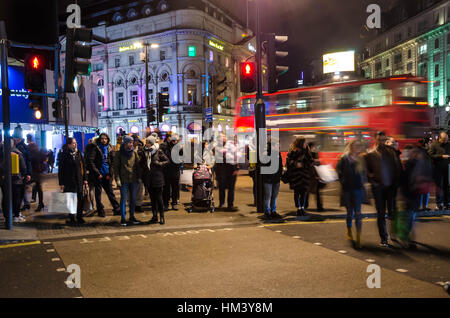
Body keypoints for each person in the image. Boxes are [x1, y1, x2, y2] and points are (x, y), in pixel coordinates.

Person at [364, 131, 403, 247]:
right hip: (378, 188)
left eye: (383, 139)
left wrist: (397, 184)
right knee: (381, 213)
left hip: (391, 187)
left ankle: (393, 234)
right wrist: (373, 181)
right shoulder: (370, 154)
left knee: (392, 212)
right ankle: (384, 238)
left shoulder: (391, 152)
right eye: (379, 140)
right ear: (376, 140)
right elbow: (366, 171)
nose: (381, 142)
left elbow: (398, 169)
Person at [336, 140, 366, 248]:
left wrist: (364, 183)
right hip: (347, 190)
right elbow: (338, 172)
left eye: (359, 145)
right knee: (350, 212)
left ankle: (358, 236)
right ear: (351, 146)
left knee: (358, 213)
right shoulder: (344, 158)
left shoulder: (361, 159)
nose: (358, 147)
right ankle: (349, 230)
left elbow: (364, 173)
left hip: (358, 189)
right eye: (356, 145)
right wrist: (343, 182)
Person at [84, 133, 121, 217]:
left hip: (107, 174)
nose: (104, 140)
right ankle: (100, 210)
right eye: (102, 139)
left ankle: (117, 208)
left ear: (108, 139)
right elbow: (91, 161)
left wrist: (110, 174)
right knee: (98, 193)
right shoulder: (95, 147)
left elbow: (112, 162)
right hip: (99, 174)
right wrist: (97, 173)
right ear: (100, 139)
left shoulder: (110, 148)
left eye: (105, 138)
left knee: (110, 192)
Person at [139, 136, 169, 225]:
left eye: (148, 142)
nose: (146, 143)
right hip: (148, 178)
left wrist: (159, 164)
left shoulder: (158, 151)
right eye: (146, 142)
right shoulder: (144, 152)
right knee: (152, 199)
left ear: (152, 143)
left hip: (158, 177)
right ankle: (154, 216)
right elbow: (141, 164)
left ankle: (162, 217)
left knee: (159, 198)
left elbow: (167, 161)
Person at [58, 138, 88, 225]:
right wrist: (61, 183)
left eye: (75, 143)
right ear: (68, 145)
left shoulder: (78, 153)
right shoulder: (64, 154)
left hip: (79, 180)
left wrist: (85, 179)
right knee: (71, 200)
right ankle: (72, 217)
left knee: (81, 199)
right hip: (69, 181)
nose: (75, 145)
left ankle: (79, 216)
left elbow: (83, 166)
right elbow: (61, 169)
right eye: (73, 143)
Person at [114, 135, 141, 226]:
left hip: (133, 179)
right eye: (130, 142)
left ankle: (132, 217)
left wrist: (139, 177)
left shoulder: (134, 153)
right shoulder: (118, 154)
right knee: (123, 199)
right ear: (125, 143)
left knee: (133, 199)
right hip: (124, 180)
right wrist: (117, 179)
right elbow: (116, 168)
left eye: (132, 142)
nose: (131, 144)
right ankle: (123, 218)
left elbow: (138, 166)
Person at [286, 136, 315, 217]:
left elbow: (310, 162)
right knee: (297, 193)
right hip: (296, 176)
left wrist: (303, 165)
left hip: (304, 176)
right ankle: (298, 208)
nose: (306, 144)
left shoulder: (307, 152)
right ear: (301, 143)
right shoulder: (293, 151)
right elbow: (288, 162)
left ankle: (302, 208)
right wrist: (296, 164)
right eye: (305, 142)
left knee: (303, 193)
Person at [0, 140, 28, 224]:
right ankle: (16, 216)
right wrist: (24, 175)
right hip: (16, 180)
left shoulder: (2, 154)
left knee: (6, 198)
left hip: (4, 180)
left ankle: (7, 216)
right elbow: (23, 167)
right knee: (16, 198)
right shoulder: (17, 153)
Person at [214, 133, 240, 211]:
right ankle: (222, 204)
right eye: (222, 137)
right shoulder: (217, 147)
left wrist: (236, 167)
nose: (224, 138)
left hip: (231, 170)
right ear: (218, 139)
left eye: (225, 136)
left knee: (231, 188)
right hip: (221, 171)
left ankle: (230, 204)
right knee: (221, 188)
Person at [262, 138, 283, 219]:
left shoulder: (278, 153)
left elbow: (280, 166)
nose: (279, 146)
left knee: (274, 196)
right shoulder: (266, 154)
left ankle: (273, 211)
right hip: (268, 179)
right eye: (278, 144)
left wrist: (280, 175)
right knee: (268, 196)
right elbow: (263, 166)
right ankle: (267, 212)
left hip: (276, 178)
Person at [428, 131, 450, 210]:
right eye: (444, 139)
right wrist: (441, 156)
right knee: (439, 186)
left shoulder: (448, 144)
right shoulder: (434, 144)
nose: (445, 141)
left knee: (447, 186)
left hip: (447, 168)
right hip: (437, 168)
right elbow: (430, 154)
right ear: (439, 138)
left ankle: (447, 203)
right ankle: (439, 203)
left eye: (446, 139)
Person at [12, 126, 32, 211]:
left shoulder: (23, 146)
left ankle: (17, 211)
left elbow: (28, 160)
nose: (17, 140)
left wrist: (28, 173)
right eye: (16, 138)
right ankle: (15, 211)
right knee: (15, 194)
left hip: (21, 174)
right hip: (14, 174)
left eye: (18, 138)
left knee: (20, 193)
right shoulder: (9, 145)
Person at [160, 133, 182, 211]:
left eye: (176, 141)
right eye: (173, 140)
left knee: (175, 187)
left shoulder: (179, 147)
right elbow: (161, 155)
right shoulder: (165, 146)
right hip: (166, 170)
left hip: (175, 170)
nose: (174, 142)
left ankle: (174, 202)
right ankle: (166, 203)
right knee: (166, 188)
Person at [305, 142, 324, 212]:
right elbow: (308, 163)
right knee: (308, 191)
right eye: (313, 147)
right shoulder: (306, 154)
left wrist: (317, 161)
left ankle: (319, 206)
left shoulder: (315, 154)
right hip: (310, 175)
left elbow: (318, 164)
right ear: (309, 147)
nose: (315, 148)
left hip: (315, 176)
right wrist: (314, 161)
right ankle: (306, 205)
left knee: (315, 191)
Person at [29, 141, 46, 212]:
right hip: (38, 172)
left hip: (35, 173)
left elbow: (34, 162)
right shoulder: (38, 152)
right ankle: (40, 203)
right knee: (38, 188)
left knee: (38, 188)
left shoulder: (33, 154)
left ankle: (40, 203)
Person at [417, 137, 433, 212]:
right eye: (430, 143)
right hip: (422, 175)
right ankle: (420, 207)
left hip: (426, 174)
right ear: (426, 144)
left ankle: (423, 206)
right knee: (422, 192)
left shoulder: (426, 152)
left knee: (426, 191)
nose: (431, 144)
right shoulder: (423, 152)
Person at [132, 134, 145, 212]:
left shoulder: (140, 149)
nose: (135, 142)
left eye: (136, 141)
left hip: (139, 172)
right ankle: (132, 205)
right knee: (131, 190)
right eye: (134, 141)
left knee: (140, 189)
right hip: (131, 173)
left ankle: (138, 205)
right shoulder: (127, 148)